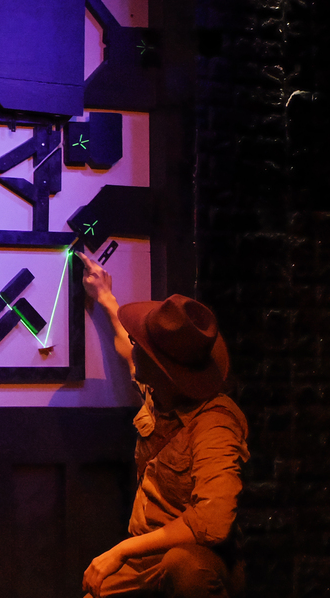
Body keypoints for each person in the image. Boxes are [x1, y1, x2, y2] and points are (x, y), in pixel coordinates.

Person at [77, 252, 249, 598]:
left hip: (195, 557)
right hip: (147, 557)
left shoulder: (215, 424)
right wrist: (105, 297)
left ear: (163, 369)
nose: (135, 346)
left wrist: (121, 550)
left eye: (143, 345)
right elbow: (127, 350)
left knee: (183, 567)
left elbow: (213, 522)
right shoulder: (160, 393)